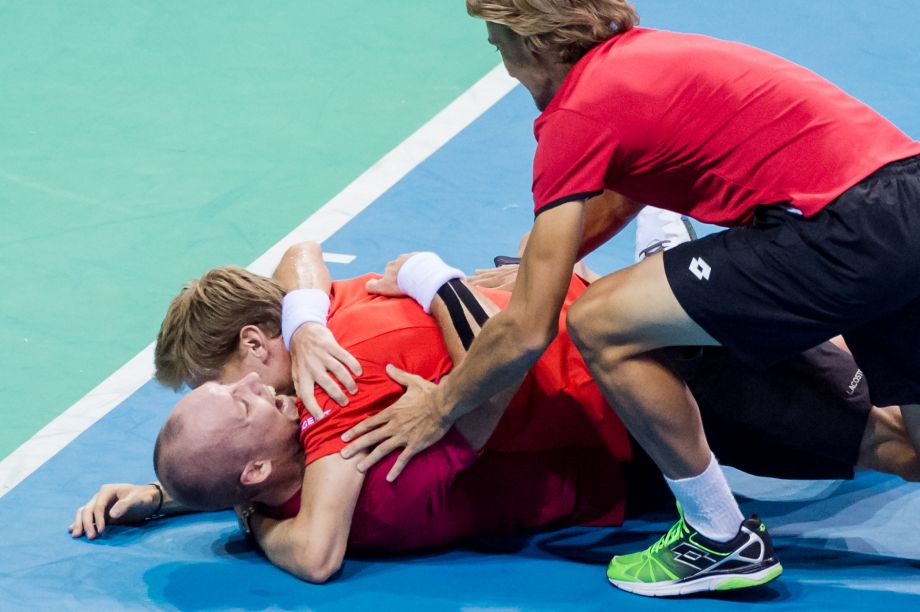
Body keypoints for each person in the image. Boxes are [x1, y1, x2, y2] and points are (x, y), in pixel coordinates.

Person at [330, 0, 920, 596]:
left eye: (497, 45)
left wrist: (441, 407)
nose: (503, 65)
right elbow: (631, 182)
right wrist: (540, 267)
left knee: (600, 319)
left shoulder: (577, 113)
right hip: (905, 206)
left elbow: (531, 331)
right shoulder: (640, 60)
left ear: (532, 46)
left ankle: (719, 537)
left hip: (837, 229)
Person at [71, 241, 918, 585]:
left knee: (891, 442)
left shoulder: (327, 391)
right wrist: (168, 494)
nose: (247, 397)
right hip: (626, 378)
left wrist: (445, 391)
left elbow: (313, 543)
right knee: (864, 398)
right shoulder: (317, 321)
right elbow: (313, 258)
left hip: (648, 366)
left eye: (222, 381)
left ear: (257, 345)